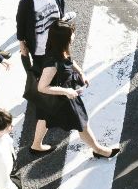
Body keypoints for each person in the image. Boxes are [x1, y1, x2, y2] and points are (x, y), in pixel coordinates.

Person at [30, 22, 120, 158]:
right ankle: (99, 150)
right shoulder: (52, 63)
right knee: (81, 123)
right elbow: (42, 87)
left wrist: (81, 72)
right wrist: (67, 92)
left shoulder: (57, 49)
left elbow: (68, 60)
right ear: (63, 40)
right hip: (62, 97)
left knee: (45, 118)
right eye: (71, 35)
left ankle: (36, 145)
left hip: (52, 98)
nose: (74, 36)